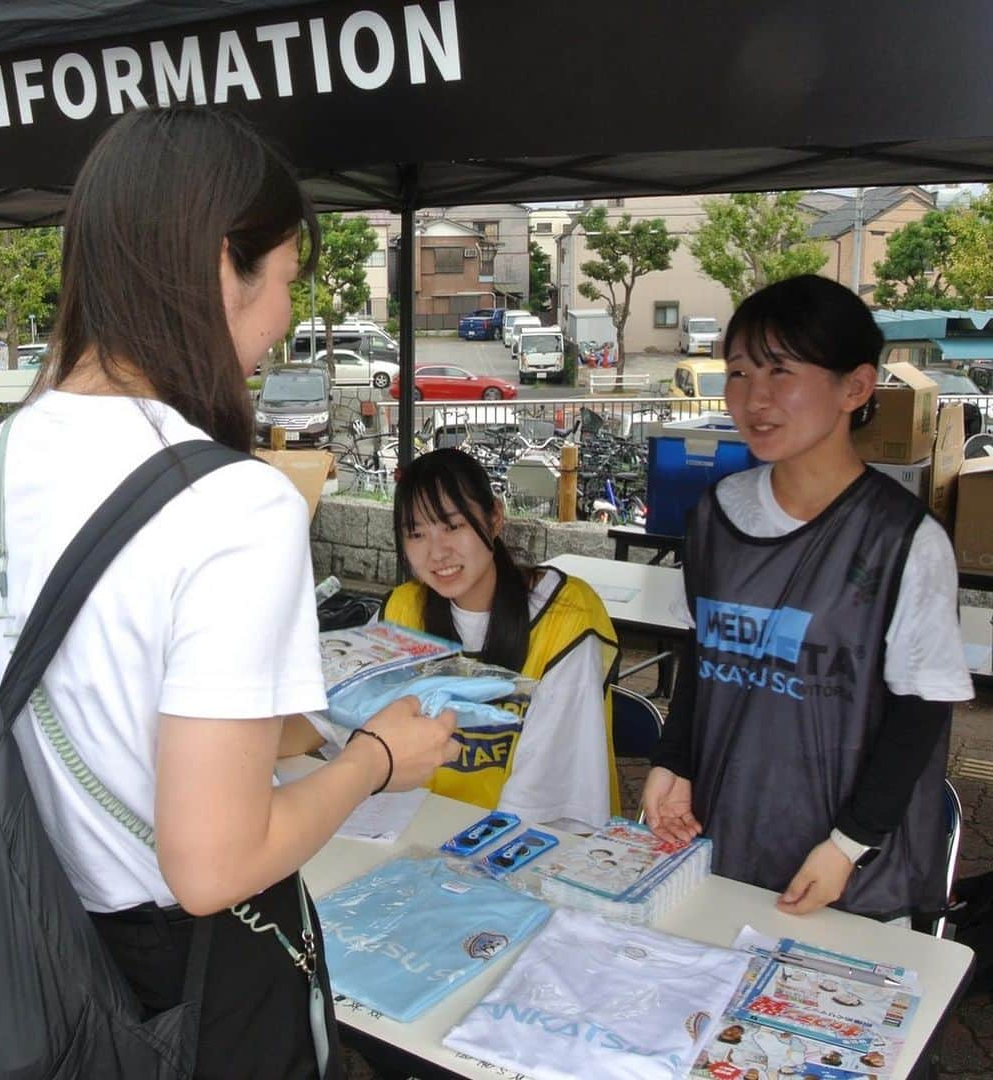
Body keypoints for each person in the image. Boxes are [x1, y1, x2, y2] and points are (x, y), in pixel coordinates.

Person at [0, 105, 457, 1080]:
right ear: (227, 264)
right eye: (288, 282)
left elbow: (71, 696)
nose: (286, 321)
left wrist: (287, 734)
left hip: (10, 959)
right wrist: (376, 761)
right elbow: (212, 867)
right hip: (178, 995)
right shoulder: (233, 502)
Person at [644, 274, 973, 922]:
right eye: (738, 373)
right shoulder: (716, 515)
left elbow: (920, 714)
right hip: (727, 842)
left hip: (843, 872)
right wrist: (672, 764)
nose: (754, 398)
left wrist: (847, 845)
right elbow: (700, 654)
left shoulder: (904, 540)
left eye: (780, 372)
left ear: (855, 386)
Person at [375, 447, 621, 829]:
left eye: (453, 526)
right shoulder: (400, 613)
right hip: (415, 834)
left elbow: (543, 797)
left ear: (494, 519)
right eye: (416, 534)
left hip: (527, 849)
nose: (437, 552)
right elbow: (355, 737)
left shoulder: (566, 618)